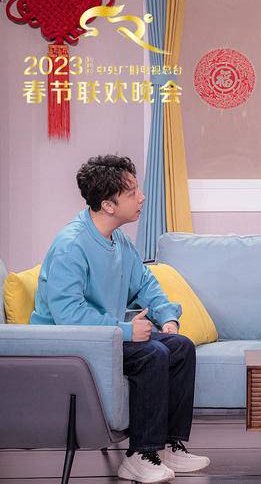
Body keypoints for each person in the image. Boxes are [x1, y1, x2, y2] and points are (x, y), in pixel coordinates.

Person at [30, 155, 210, 483]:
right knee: (152, 354)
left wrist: (167, 317)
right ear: (108, 205)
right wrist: (126, 331)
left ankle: (169, 446)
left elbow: (145, 284)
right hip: (69, 344)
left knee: (180, 346)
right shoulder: (72, 246)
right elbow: (68, 316)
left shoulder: (119, 240)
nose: (142, 197)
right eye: (132, 192)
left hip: (103, 338)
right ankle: (140, 455)